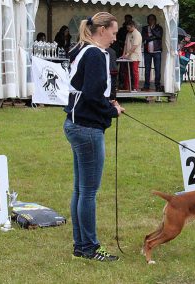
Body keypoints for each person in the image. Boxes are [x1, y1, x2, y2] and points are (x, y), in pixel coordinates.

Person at [63, 12, 125, 262]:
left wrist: (108, 102)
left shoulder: (82, 49)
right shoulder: (97, 54)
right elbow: (91, 94)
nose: (114, 37)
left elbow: (89, 90)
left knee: (80, 190)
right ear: (102, 30)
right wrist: (112, 109)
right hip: (87, 128)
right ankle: (89, 246)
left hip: (76, 125)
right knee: (88, 192)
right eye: (113, 32)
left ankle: (81, 245)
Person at [141, 14, 163, 91]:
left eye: (152, 19)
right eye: (149, 19)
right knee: (147, 69)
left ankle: (157, 86)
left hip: (157, 51)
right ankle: (146, 85)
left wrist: (152, 29)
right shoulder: (144, 28)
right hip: (147, 51)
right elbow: (143, 38)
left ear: (155, 20)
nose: (151, 21)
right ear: (147, 20)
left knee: (157, 69)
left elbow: (159, 35)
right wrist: (153, 37)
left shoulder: (159, 28)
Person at [122, 20, 142, 92]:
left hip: (135, 57)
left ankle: (135, 87)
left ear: (133, 26)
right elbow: (125, 44)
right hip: (128, 56)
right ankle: (127, 87)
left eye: (129, 28)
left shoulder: (137, 34)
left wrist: (127, 54)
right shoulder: (128, 33)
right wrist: (123, 54)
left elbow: (134, 46)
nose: (127, 29)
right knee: (127, 71)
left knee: (134, 72)